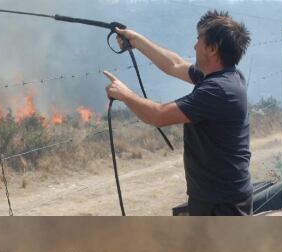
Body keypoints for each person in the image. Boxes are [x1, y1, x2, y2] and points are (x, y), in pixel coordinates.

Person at [103, 10, 252, 215]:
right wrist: (135, 39)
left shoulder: (219, 90)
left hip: (222, 204)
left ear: (212, 48)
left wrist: (125, 94)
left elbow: (158, 115)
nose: (194, 45)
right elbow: (174, 64)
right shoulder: (226, 76)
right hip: (213, 197)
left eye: (199, 39)